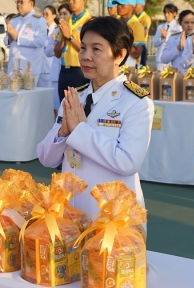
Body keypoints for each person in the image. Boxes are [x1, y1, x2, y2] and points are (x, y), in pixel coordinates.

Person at [37, 16, 154, 218]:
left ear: (119, 55)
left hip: (110, 218)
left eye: (96, 49)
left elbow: (128, 162)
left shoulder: (136, 103)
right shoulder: (75, 97)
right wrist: (63, 133)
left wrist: (80, 130)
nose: (85, 56)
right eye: (83, 48)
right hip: (70, 213)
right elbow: (46, 158)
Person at [55, 0, 93, 98]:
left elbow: (88, 49)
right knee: (63, 106)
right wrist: (63, 37)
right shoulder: (66, 21)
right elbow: (56, 53)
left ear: (83, 0)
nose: (70, 1)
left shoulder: (89, 21)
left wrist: (70, 37)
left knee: (80, 106)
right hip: (64, 70)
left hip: (80, 71)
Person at [5, 0, 48, 87]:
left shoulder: (39, 20)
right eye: (17, 2)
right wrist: (9, 36)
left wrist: (17, 37)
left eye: (22, 2)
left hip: (29, 69)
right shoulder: (14, 20)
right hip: (14, 67)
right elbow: (6, 41)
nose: (18, 4)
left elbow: (40, 42)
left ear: (31, 4)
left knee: (27, 99)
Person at [111, 0, 146, 68]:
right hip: (113, 65)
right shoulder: (114, 22)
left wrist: (119, 41)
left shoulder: (137, 26)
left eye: (122, 4)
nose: (119, 7)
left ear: (132, 7)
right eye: (118, 4)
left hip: (129, 66)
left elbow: (136, 53)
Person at [42, 5, 61, 111]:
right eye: (43, 14)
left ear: (54, 16)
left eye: (47, 14)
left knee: (57, 103)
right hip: (43, 67)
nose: (44, 16)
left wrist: (54, 43)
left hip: (52, 67)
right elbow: (47, 51)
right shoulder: (41, 28)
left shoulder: (56, 29)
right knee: (49, 102)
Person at [152, 3, 180, 68]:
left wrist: (166, 37)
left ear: (174, 13)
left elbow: (178, 42)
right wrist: (162, 37)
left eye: (169, 13)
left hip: (173, 59)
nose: (166, 15)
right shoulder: (160, 27)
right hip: (160, 59)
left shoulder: (179, 27)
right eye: (165, 13)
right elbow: (155, 43)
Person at [134, 0, 151, 66]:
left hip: (140, 45)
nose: (134, 7)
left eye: (136, 5)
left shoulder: (146, 18)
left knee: (140, 68)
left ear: (142, 6)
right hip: (132, 46)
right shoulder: (134, 17)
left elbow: (145, 31)